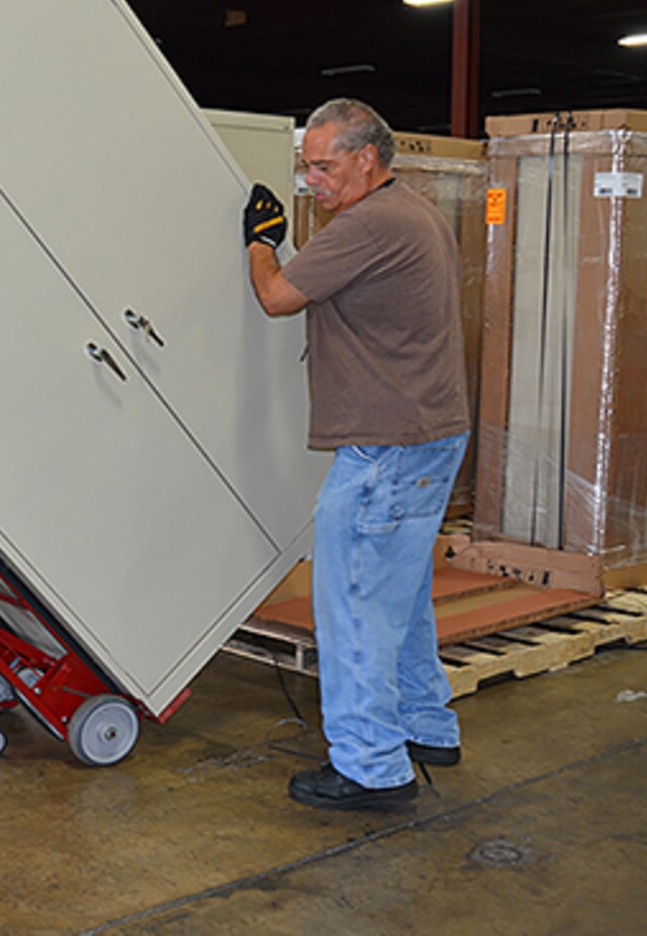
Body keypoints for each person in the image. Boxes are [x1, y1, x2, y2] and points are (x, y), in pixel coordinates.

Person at [243, 97, 470, 811]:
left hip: (385, 452)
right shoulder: (415, 211)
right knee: (398, 600)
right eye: (304, 166)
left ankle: (371, 767)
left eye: (322, 165)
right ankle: (425, 725)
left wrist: (259, 241)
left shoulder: (368, 225)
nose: (311, 179)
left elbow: (279, 296)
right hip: (430, 434)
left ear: (366, 158)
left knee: (353, 609)